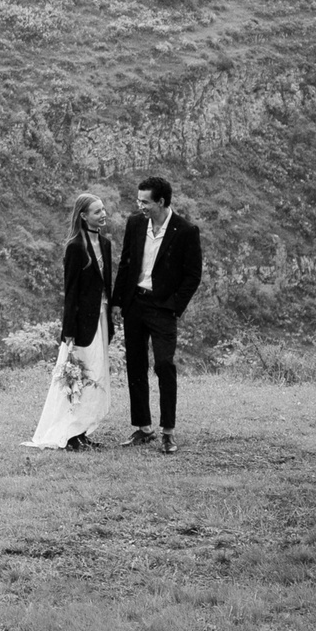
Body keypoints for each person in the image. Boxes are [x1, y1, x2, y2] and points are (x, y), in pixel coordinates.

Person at [116, 173, 203, 453]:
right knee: (136, 364)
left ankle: (168, 431)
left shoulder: (185, 231)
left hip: (163, 307)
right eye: (139, 200)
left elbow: (193, 275)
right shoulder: (135, 223)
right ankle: (143, 428)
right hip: (135, 303)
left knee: (164, 365)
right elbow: (126, 263)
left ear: (162, 201)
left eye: (145, 201)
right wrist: (119, 302)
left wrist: (175, 305)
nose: (140, 206)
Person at [23, 191, 116, 451]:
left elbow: (106, 286)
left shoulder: (106, 245)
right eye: (97, 211)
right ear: (83, 216)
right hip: (81, 323)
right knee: (79, 373)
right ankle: (71, 432)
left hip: (101, 319)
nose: (103, 214)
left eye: (103, 209)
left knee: (96, 373)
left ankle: (82, 429)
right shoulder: (76, 247)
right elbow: (71, 291)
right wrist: (69, 331)